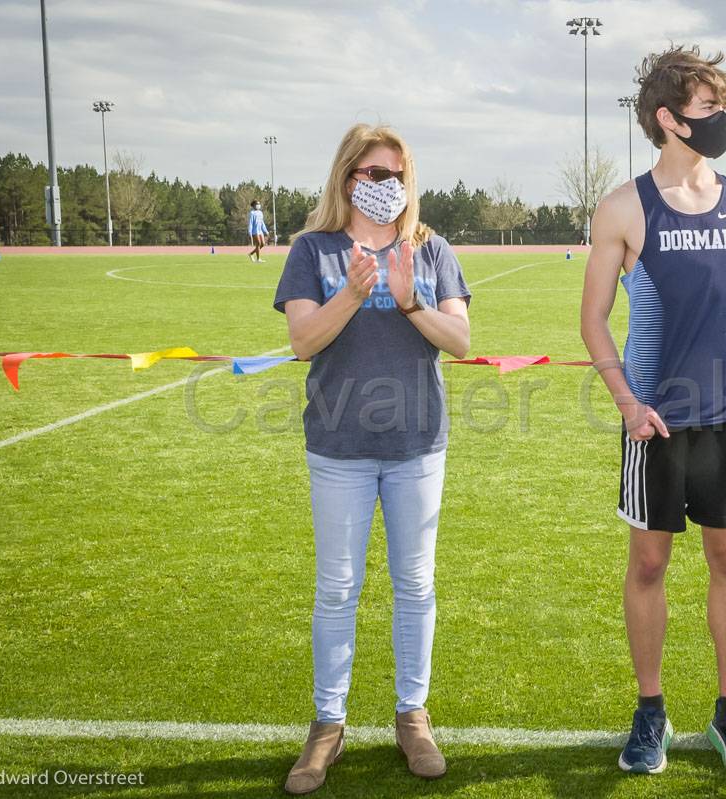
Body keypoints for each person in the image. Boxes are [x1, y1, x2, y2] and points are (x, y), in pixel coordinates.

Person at [580, 44, 726, 777]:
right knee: (650, 561)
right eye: (707, 106)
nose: (720, 117)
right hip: (655, 423)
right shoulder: (624, 207)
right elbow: (593, 321)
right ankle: (650, 709)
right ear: (668, 118)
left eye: (723, 104)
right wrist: (628, 404)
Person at [274, 124, 472, 792]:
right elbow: (303, 341)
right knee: (337, 588)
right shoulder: (313, 250)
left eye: (396, 175)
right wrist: (353, 292)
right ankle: (328, 724)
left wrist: (410, 298)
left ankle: (411, 715)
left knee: (415, 585)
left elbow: (462, 339)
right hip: (339, 447)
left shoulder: (431, 249)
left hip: (417, 446)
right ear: (346, 176)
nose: (385, 186)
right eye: (372, 173)